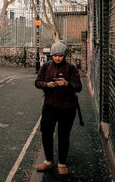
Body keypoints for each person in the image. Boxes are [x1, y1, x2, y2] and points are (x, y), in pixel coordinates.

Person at [35, 41, 82, 175]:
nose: (57, 58)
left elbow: (78, 87)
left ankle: (62, 163)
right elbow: (37, 82)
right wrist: (47, 84)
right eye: (55, 55)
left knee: (63, 135)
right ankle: (48, 161)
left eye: (60, 56)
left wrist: (67, 84)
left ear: (64, 55)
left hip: (67, 108)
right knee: (46, 133)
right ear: (52, 55)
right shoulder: (46, 66)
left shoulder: (71, 68)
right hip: (49, 107)